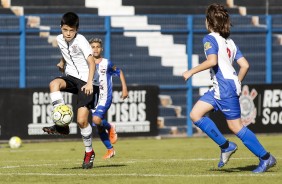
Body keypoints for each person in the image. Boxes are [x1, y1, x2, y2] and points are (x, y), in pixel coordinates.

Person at [182, 3, 276, 173]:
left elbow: (212, 62)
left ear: (209, 21)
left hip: (224, 87)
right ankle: (226, 146)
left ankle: (265, 157)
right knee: (195, 114)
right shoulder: (229, 42)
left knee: (236, 127)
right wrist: (238, 82)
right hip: (223, 86)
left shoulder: (209, 38)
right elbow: (245, 65)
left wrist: (190, 71)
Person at [42, 12, 97, 169]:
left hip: (87, 82)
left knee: (81, 121)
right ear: (61, 28)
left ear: (76, 30)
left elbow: (91, 63)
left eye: (71, 30)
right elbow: (66, 52)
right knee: (54, 84)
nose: (68, 33)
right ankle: (62, 125)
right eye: (65, 29)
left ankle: (89, 152)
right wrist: (61, 62)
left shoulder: (81, 41)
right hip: (72, 77)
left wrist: (89, 83)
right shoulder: (60, 39)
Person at [89, 37, 128, 160]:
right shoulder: (86, 63)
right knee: (98, 125)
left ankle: (110, 127)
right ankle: (110, 149)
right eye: (93, 46)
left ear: (101, 49)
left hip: (105, 97)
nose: (95, 49)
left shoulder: (107, 63)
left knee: (96, 120)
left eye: (97, 47)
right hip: (92, 98)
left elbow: (119, 71)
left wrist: (124, 88)